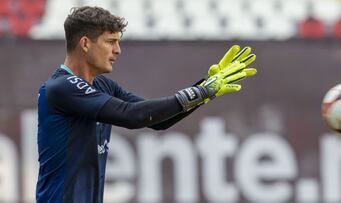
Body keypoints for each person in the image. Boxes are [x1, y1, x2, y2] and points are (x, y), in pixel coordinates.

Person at [36, 6, 257, 203]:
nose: (118, 50)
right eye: (110, 42)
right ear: (85, 44)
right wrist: (200, 92)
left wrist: (206, 90)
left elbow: (157, 122)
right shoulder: (60, 88)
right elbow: (131, 115)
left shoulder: (102, 84)